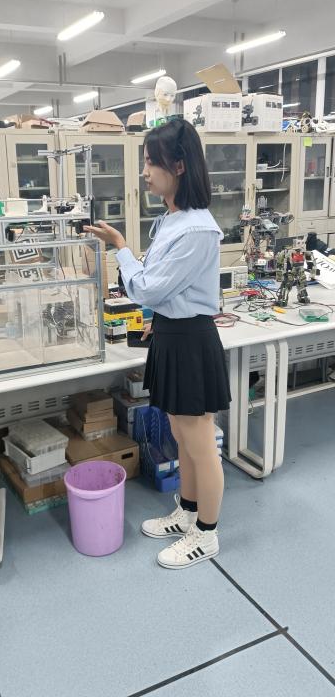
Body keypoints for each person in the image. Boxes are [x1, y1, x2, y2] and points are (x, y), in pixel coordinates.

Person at [84, 118, 231, 569]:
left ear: (179, 166)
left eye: (152, 162)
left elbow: (147, 288)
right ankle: (187, 511)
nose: (145, 172)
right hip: (171, 333)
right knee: (181, 436)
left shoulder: (196, 229)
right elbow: (163, 286)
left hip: (191, 342)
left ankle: (207, 533)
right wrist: (158, 320)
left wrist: (120, 246)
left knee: (200, 442)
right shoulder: (170, 220)